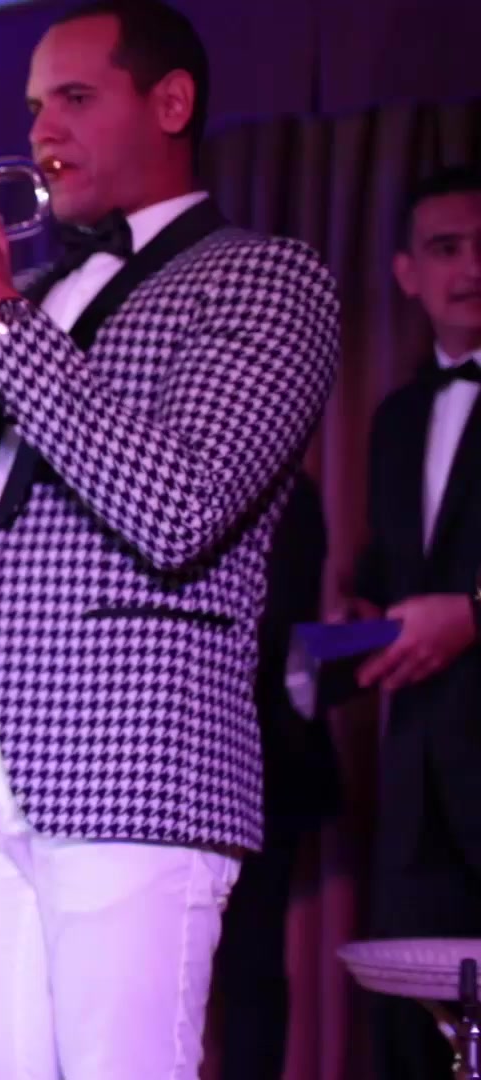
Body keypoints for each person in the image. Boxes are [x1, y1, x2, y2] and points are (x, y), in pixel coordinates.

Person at [0, 1, 341, 1075]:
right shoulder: (38, 290)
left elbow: (181, 505)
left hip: (137, 756)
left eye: (73, 97)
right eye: (32, 106)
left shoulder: (266, 277)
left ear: (171, 102)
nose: (41, 131)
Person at [337, 164, 481, 1080]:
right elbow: (386, 583)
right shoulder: (394, 418)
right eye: (446, 248)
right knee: (410, 1042)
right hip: (416, 780)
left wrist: (473, 615)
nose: (472, 268)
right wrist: (345, 628)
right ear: (407, 273)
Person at [211, 469, 339, 1078]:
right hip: (192, 756)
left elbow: (275, 622)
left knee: (251, 962)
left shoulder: (285, 491)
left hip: (262, 759)